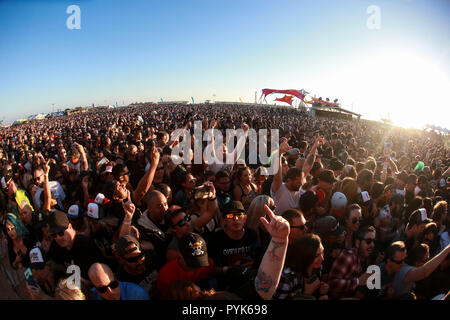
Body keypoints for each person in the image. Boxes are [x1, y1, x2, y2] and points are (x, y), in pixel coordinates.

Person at [46, 210, 105, 280]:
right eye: (54, 235)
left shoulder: (86, 245)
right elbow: (50, 263)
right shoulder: (56, 246)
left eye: (61, 233)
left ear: (70, 226)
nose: (58, 238)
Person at [156, 232, 215, 297]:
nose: (197, 265)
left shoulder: (208, 264)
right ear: (180, 254)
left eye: (200, 258)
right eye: (192, 259)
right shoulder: (165, 276)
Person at [273, 233, 328, 300]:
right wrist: (306, 295)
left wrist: (321, 291)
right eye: (317, 255)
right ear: (305, 256)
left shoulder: (317, 267)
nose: (322, 258)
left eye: (322, 252)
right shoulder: (287, 277)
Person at [206, 201, 260, 269]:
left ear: (245, 218)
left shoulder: (251, 235)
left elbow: (258, 259)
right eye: (230, 216)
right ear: (224, 220)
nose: (236, 219)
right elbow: (210, 268)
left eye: (239, 215)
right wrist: (230, 269)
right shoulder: (215, 239)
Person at [328, 225, 377, 299]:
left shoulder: (367, 257)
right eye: (368, 241)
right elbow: (332, 284)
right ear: (357, 243)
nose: (372, 245)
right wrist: (357, 282)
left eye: (374, 241)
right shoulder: (348, 257)